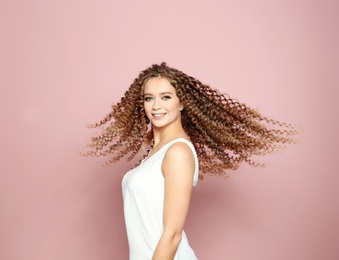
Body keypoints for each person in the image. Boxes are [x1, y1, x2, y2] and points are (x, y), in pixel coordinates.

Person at [83, 62, 298, 259]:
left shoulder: (177, 152)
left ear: (182, 103)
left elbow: (173, 234)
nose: (156, 105)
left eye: (166, 97)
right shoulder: (157, 152)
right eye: (149, 98)